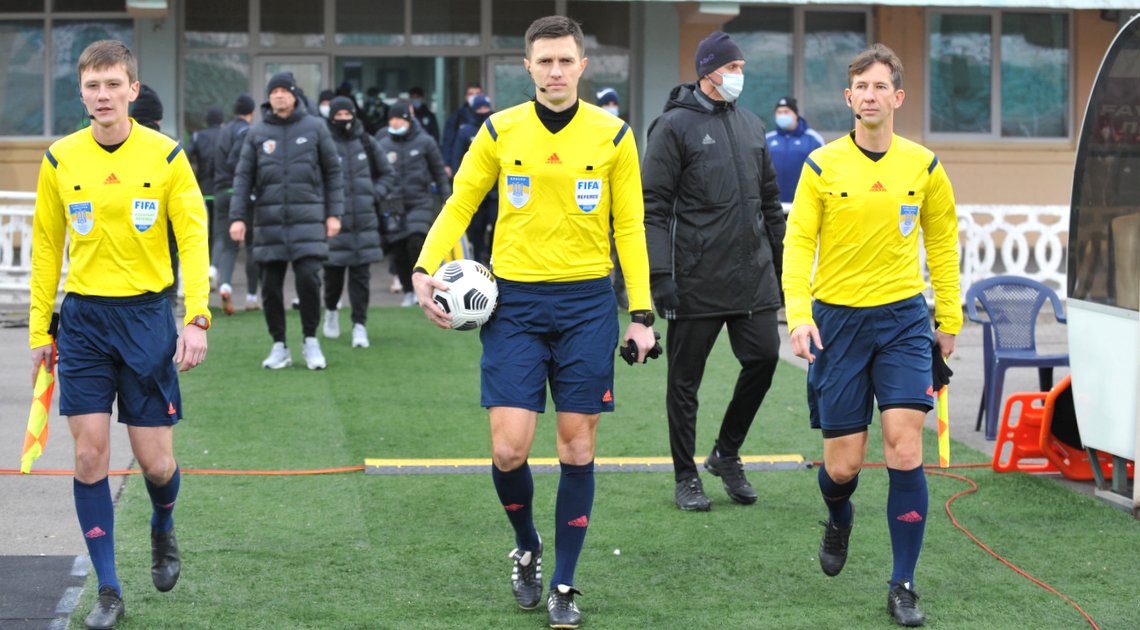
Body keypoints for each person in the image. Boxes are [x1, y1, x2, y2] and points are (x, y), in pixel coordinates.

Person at [410, 16, 657, 630]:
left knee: (577, 445)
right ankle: (527, 545)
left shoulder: (614, 135)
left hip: (586, 306)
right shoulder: (499, 129)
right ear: (527, 66)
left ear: (582, 66)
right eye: (544, 61)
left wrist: (642, 314)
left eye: (565, 60)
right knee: (507, 448)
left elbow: (630, 226)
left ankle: (565, 584)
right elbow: (461, 201)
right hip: (513, 305)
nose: (555, 70)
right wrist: (424, 266)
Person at [29, 39, 209, 630]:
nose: (102, 95)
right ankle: (109, 589)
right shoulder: (60, 159)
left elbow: (194, 239)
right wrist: (39, 328)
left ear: (132, 89)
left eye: (112, 85)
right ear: (80, 93)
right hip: (83, 322)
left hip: (147, 320)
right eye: (92, 86)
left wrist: (197, 317)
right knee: (88, 456)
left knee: (156, 463)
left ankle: (163, 524)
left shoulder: (167, 156)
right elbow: (46, 247)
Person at [781, 43, 961, 627]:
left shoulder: (924, 166)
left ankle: (903, 584)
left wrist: (949, 319)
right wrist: (799, 314)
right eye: (861, 86)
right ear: (848, 97)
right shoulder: (821, 165)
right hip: (837, 323)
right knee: (843, 467)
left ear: (897, 97)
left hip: (904, 320)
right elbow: (797, 244)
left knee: (905, 448)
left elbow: (943, 244)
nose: (870, 95)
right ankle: (839, 516)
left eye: (881, 86)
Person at [642, 30, 784, 512]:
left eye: (741, 67)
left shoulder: (752, 125)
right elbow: (652, 208)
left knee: (765, 359)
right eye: (733, 68)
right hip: (694, 279)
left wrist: (783, 267)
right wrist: (660, 275)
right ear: (708, 72)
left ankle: (726, 453)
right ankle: (686, 477)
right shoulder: (672, 127)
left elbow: (770, 204)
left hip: (752, 278)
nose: (740, 75)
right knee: (685, 384)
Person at [230, 71, 344, 370]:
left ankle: (310, 340)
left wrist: (335, 213)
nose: (278, 95)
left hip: (309, 221)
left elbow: (333, 172)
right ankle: (279, 344)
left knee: (308, 281)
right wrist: (238, 217)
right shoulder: (257, 132)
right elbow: (243, 178)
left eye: (284, 90)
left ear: (294, 95)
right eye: (273, 91)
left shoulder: (315, 127)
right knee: (270, 288)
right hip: (268, 224)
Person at [322, 96, 396, 348]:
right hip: (334, 222)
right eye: (338, 115)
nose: (344, 119)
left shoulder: (367, 142)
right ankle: (331, 311)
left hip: (364, 223)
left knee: (361, 279)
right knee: (332, 277)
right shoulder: (324, 143)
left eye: (347, 114)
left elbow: (388, 174)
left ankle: (359, 325)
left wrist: (374, 194)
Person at [376, 99, 450, 308]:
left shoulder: (425, 142)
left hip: (420, 201)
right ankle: (409, 291)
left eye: (399, 119)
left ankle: (424, 287)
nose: (395, 123)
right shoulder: (383, 144)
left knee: (416, 240)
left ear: (408, 120)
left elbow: (439, 172)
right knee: (398, 248)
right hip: (393, 204)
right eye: (391, 119)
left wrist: (446, 198)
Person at [211, 93, 259, 315]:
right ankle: (251, 298)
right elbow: (238, 162)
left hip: (220, 192)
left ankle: (225, 286)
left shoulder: (223, 132)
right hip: (241, 194)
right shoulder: (246, 132)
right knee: (251, 245)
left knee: (228, 244)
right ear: (252, 112)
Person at [447, 94, 496, 265]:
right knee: (476, 227)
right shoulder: (465, 131)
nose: (483, 111)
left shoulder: (497, 128)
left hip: (496, 190)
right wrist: (458, 181)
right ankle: (478, 257)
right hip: (475, 188)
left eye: (485, 108)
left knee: (497, 222)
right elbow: (457, 157)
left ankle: (490, 253)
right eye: (479, 108)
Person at [765, 96, 825, 204]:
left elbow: (823, 171)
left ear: (795, 114)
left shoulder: (813, 139)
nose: (782, 115)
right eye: (779, 112)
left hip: (804, 203)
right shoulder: (767, 139)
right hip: (773, 205)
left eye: (786, 112)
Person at [187, 106, 224, 256]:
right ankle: (215, 262)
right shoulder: (226, 135)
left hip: (202, 190)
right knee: (219, 230)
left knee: (203, 228)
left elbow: (185, 158)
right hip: (222, 190)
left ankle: (205, 259)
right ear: (221, 121)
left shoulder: (198, 137)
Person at [441, 82, 484, 178]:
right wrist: (446, 164)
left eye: (477, 94)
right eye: (471, 94)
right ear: (466, 97)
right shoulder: (457, 117)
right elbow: (448, 141)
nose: (474, 97)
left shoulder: (490, 116)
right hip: (461, 164)